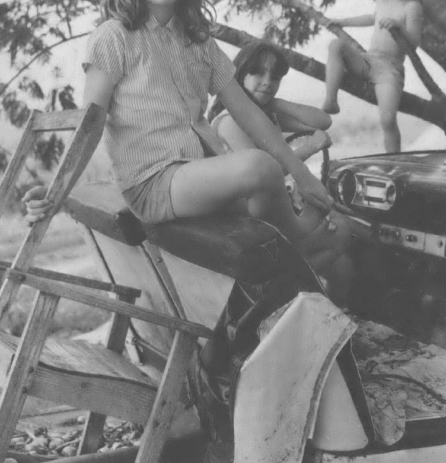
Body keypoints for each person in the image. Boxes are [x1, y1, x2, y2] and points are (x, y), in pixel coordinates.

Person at [24, 0, 340, 267]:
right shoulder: (114, 36)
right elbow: (89, 125)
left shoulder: (199, 42)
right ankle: (300, 246)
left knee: (273, 211)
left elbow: (247, 112)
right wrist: (57, 191)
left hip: (192, 173)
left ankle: (283, 261)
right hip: (150, 182)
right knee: (259, 167)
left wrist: (302, 174)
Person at [207, 41, 365, 303]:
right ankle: (278, 288)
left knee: (343, 267)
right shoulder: (228, 121)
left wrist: (273, 101)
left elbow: (322, 120)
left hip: (276, 208)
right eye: (258, 73)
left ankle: (334, 315)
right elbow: (266, 170)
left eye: (275, 77)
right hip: (250, 217)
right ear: (239, 74)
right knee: (344, 232)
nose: (268, 81)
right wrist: (311, 147)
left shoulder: (266, 114)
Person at [321, 0, 423, 152]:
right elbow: (371, 18)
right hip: (369, 60)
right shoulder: (383, 2)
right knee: (335, 45)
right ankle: (331, 100)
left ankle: (393, 163)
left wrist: (399, 26)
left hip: (390, 68)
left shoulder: (412, 6)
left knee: (388, 120)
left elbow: (414, 44)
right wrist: (343, 22)